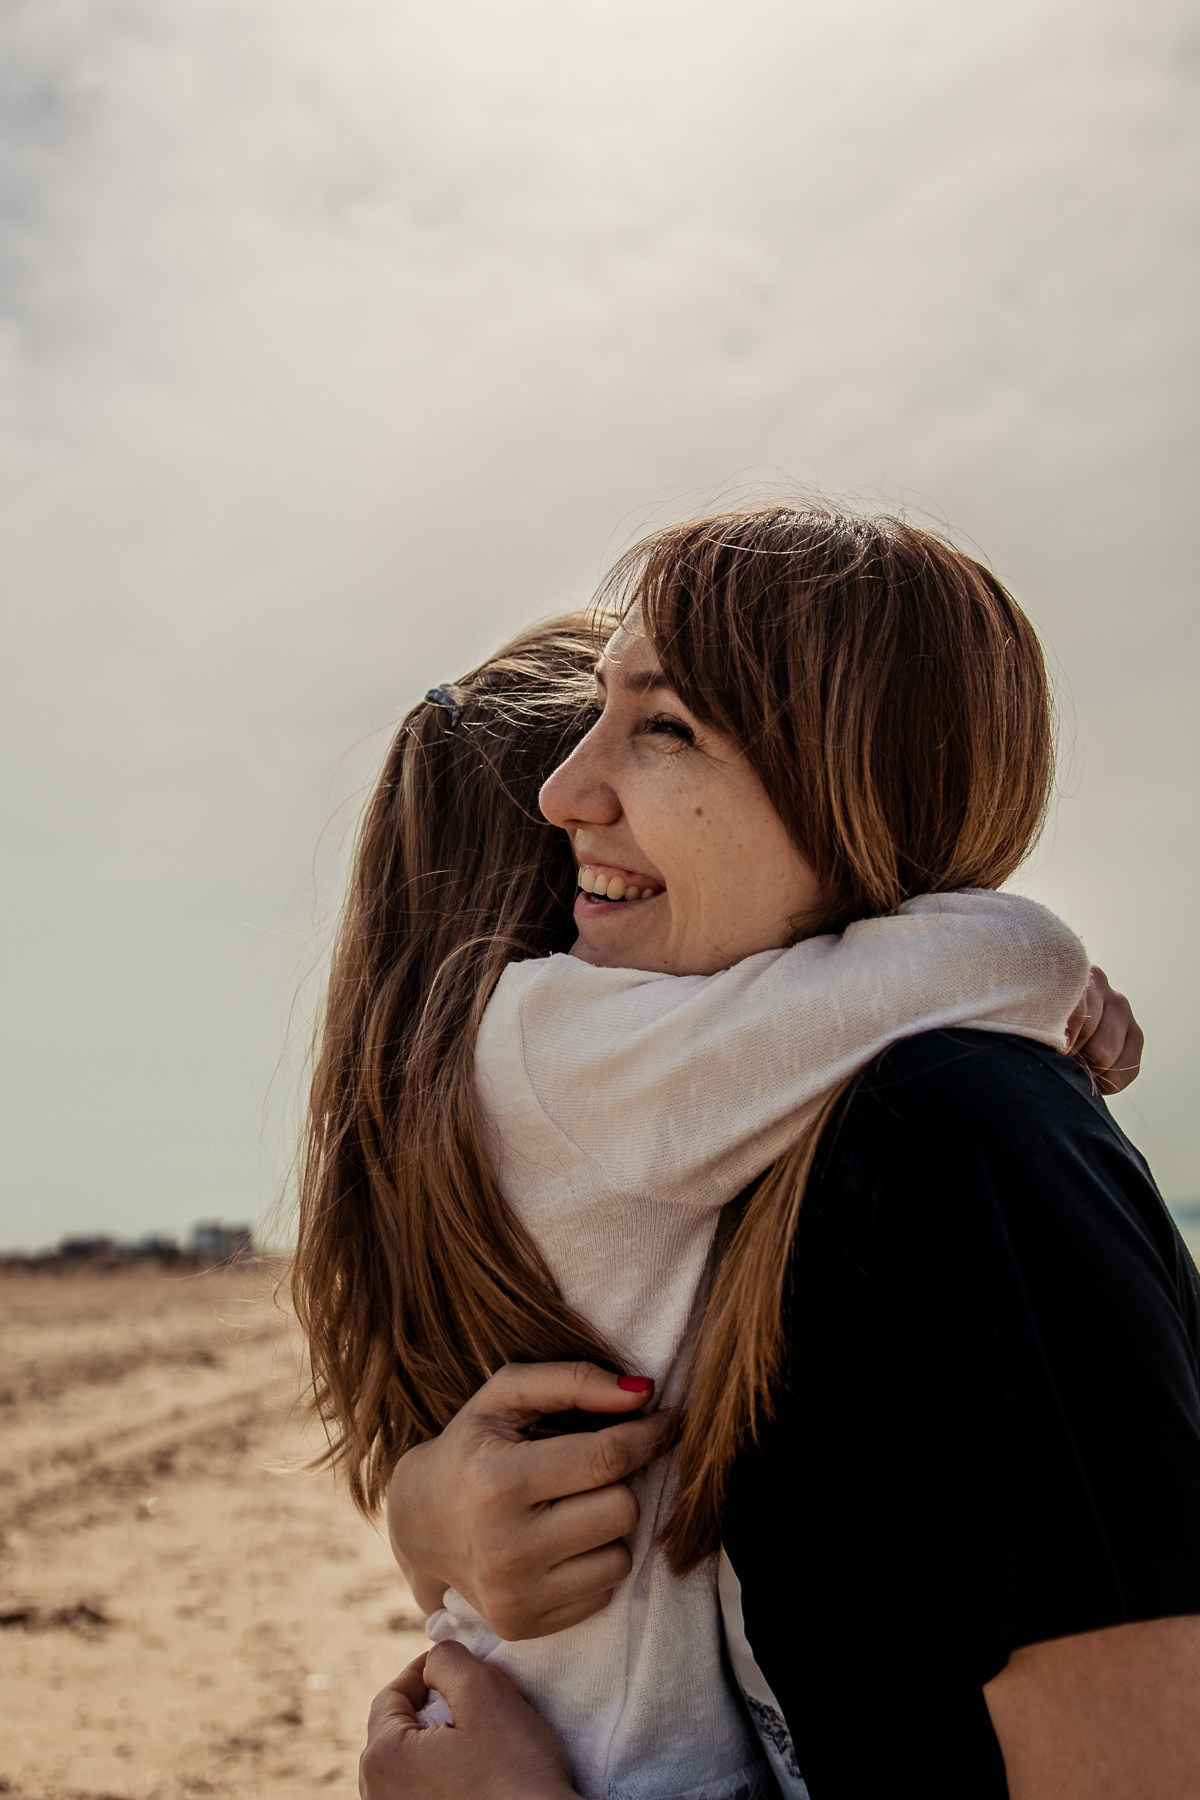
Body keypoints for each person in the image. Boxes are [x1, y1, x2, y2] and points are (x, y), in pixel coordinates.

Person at [357, 508, 1200, 1800]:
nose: (566, 795)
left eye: (666, 725)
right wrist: (428, 1517)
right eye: (599, 717)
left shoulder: (970, 1144)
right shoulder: (795, 1157)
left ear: (851, 779)